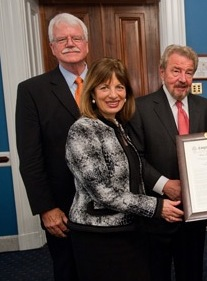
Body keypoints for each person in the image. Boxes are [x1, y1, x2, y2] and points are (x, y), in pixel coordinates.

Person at [65, 57, 184, 281]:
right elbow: (102, 192)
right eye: (104, 87)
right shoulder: (83, 130)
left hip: (128, 229)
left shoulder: (117, 126)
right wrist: (157, 206)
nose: (113, 94)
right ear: (91, 92)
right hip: (99, 234)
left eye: (119, 87)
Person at [127, 44, 207, 281]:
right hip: (157, 212)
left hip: (194, 215)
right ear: (161, 72)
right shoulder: (140, 108)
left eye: (189, 72)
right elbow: (135, 157)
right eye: (176, 71)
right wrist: (164, 185)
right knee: (155, 273)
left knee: (191, 273)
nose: (182, 79)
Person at [15, 13, 89, 281]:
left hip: (112, 205)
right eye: (62, 39)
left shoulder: (108, 84)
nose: (70, 43)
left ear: (86, 43)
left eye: (76, 37)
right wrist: (46, 208)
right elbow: (30, 156)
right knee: (68, 270)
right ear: (52, 47)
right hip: (63, 207)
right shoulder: (32, 91)